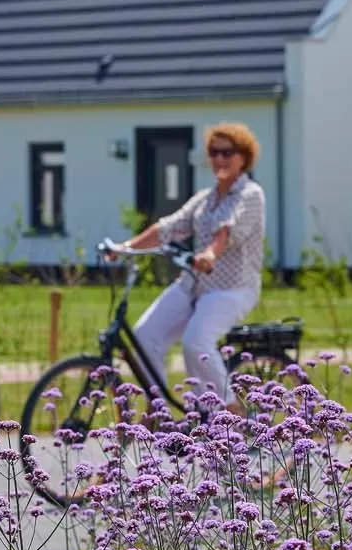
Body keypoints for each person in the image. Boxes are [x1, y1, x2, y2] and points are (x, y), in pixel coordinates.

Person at [109, 121, 266, 413]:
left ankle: (232, 410)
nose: (219, 158)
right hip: (195, 284)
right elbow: (168, 227)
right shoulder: (206, 199)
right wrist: (125, 248)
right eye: (214, 152)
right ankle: (160, 414)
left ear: (243, 157)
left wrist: (209, 254)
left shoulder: (250, 195)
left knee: (196, 342)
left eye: (227, 152)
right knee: (144, 338)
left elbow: (226, 232)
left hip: (232, 289)